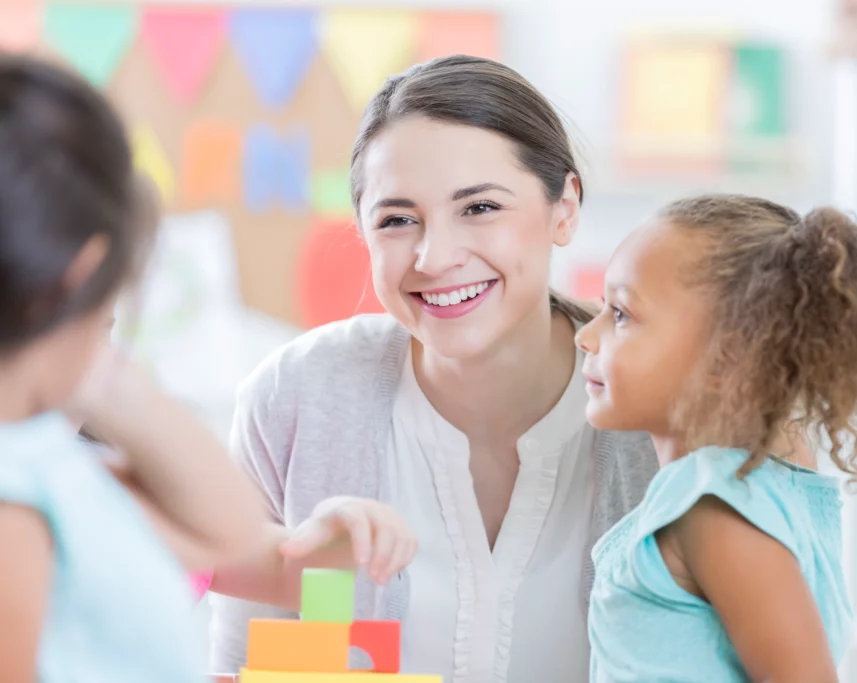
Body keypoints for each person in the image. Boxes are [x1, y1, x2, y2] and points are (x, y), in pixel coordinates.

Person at [208, 55, 660, 681]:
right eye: (397, 220)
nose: (435, 256)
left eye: (479, 208)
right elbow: (243, 667)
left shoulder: (664, 407)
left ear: (564, 207)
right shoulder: (298, 398)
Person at [0, 54, 267, 682]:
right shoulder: (15, 503)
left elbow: (230, 530)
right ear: (86, 276)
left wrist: (90, 362)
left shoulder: (41, 457)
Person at [578, 195, 857, 682]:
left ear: (726, 360)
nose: (586, 334)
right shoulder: (768, 478)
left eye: (622, 314)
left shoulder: (712, 504)